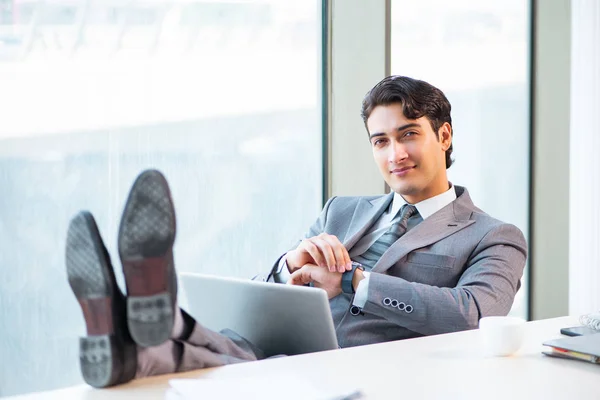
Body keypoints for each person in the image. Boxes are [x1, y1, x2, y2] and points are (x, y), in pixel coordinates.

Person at [66, 76, 527, 388]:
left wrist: (352, 282)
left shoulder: (493, 236)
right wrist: (291, 266)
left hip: (354, 373)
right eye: (381, 141)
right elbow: (271, 292)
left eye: (408, 135)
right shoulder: (341, 211)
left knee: (222, 362)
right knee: (234, 349)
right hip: (279, 349)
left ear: (443, 137)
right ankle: (134, 335)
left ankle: (135, 325)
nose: (394, 155)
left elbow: (473, 316)